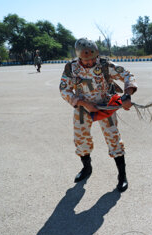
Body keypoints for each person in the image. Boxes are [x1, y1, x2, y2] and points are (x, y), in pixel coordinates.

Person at [59, 38, 137, 192]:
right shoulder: (71, 67)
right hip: (82, 108)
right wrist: (83, 103)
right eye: (85, 60)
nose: (89, 63)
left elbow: (128, 75)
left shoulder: (104, 65)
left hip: (105, 106)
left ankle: (122, 176)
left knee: (113, 138)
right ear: (79, 57)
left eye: (92, 59)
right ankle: (86, 168)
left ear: (96, 55)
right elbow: (64, 90)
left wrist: (127, 95)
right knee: (81, 139)